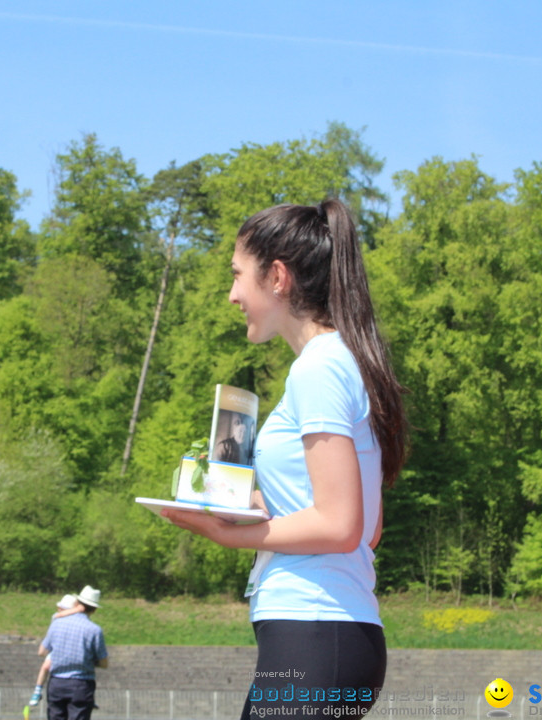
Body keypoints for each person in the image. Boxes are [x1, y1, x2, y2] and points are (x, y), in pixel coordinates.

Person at [163, 199, 408, 719]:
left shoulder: (319, 369)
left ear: (277, 277)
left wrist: (230, 534)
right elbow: (368, 527)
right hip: (328, 632)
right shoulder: (343, 362)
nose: (231, 295)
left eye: (237, 276)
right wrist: (246, 503)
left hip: (316, 630)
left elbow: (342, 526)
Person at [38, 585, 108, 720]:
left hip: (57, 683)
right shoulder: (94, 630)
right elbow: (104, 663)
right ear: (94, 610)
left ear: (77, 603)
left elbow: (42, 651)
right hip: (81, 684)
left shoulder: (57, 623)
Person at [28, 594, 82, 706]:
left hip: (71, 647)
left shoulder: (78, 620)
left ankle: (87, 696)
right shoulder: (56, 617)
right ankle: (38, 690)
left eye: (62, 608)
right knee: (45, 666)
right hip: (57, 647)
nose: (59, 610)